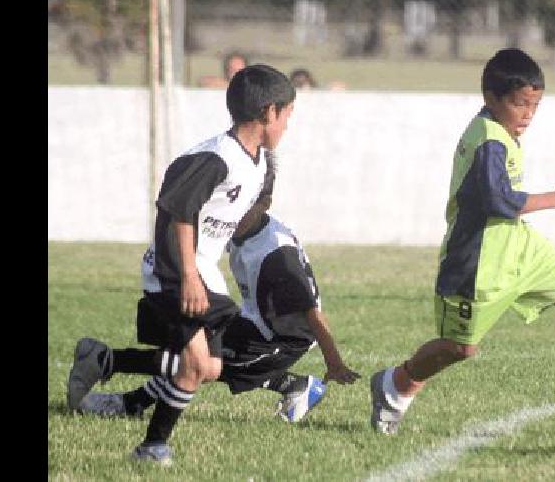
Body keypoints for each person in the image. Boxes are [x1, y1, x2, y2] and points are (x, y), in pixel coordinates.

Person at [366, 48, 555, 436]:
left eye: (535, 105)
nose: (528, 115)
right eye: (520, 104)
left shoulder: (500, 131)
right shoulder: (487, 141)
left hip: (518, 248)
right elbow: (498, 202)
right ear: (491, 98)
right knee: (459, 348)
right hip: (476, 264)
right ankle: (394, 387)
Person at [65, 64, 297, 465]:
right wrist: (188, 274)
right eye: (288, 115)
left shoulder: (257, 162)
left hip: (204, 272)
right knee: (195, 365)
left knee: (209, 367)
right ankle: (152, 447)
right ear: (269, 113)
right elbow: (178, 213)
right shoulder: (214, 158)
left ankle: (103, 359)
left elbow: (228, 214)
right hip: (176, 271)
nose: (289, 125)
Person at [77, 187, 361, 423]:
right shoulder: (245, 229)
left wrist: (334, 363)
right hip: (253, 321)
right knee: (194, 349)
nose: (234, 214)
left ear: (264, 204)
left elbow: (312, 313)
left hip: (280, 341)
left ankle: (115, 375)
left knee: (200, 364)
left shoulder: (276, 256)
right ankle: (296, 386)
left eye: (244, 205)